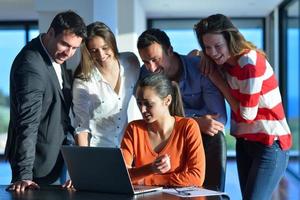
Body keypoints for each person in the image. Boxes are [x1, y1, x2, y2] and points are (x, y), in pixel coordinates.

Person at [194, 13, 292, 200]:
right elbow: (194, 56)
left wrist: (218, 81)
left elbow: (247, 115)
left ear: (230, 40)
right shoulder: (223, 63)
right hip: (245, 142)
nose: (213, 52)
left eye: (217, 46)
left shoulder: (250, 62)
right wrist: (201, 54)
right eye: (208, 47)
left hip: (270, 143)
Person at [4, 10, 87, 191]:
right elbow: (27, 123)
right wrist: (24, 175)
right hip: (38, 165)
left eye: (75, 48)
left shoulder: (54, 54)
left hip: (56, 156)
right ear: (50, 33)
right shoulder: (31, 66)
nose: (69, 53)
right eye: (65, 44)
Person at [137, 28, 227, 191]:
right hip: (168, 138)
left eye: (156, 59)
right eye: (145, 62)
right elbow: (153, 115)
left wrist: (188, 124)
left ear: (170, 51)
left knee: (215, 136)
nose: (151, 68)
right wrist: (194, 121)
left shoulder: (200, 68)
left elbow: (218, 120)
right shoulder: (146, 74)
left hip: (204, 137)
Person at [121, 73, 205, 187]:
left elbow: (196, 178)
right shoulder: (133, 129)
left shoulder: (188, 127)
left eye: (148, 104)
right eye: (139, 103)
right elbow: (122, 176)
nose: (142, 109)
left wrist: (145, 180)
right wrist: (151, 169)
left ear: (167, 101)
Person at [72, 21, 141, 147]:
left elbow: (142, 99)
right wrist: (84, 162)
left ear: (112, 43)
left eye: (105, 48)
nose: (101, 55)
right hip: (97, 148)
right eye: (94, 50)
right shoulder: (83, 81)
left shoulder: (131, 62)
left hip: (125, 146)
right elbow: (81, 128)